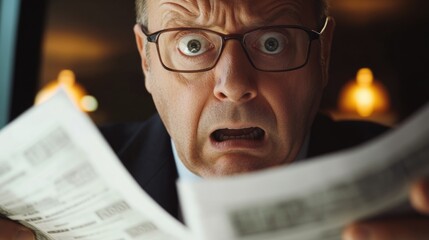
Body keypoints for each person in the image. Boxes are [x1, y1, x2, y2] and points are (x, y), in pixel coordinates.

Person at [1, 0, 429, 239]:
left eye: (273, 41)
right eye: (191, 44)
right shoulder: (27, 205)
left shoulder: (415, 190)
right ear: (146, 60)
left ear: (323, 53)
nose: (234, 83)